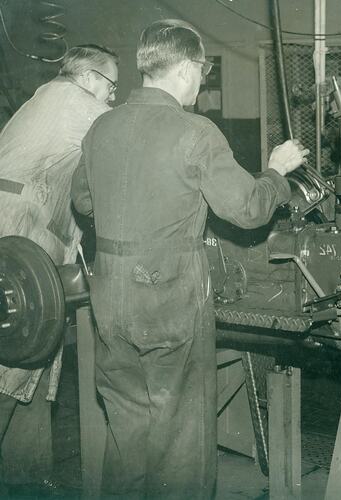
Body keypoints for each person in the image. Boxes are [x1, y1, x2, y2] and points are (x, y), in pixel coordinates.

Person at [70, 19, 307, 498]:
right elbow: (247, 209)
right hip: (170, 296)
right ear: (184, 68)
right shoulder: (196, 131)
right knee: (180, 432)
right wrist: (277, 171)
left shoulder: (101, 126)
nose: (203, 79)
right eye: (202, 69)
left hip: (110, 296)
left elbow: (83, 202)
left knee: (127, 423)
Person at [0, 44, 118, 492]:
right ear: (87, 78)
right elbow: (121, 134)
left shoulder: (56, 103)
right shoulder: (68, 99)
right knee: (11, 361)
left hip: (34, 241)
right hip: (17, 238)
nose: (112, 94)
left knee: (31, 363)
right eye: (110, 84)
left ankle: (26, 481)